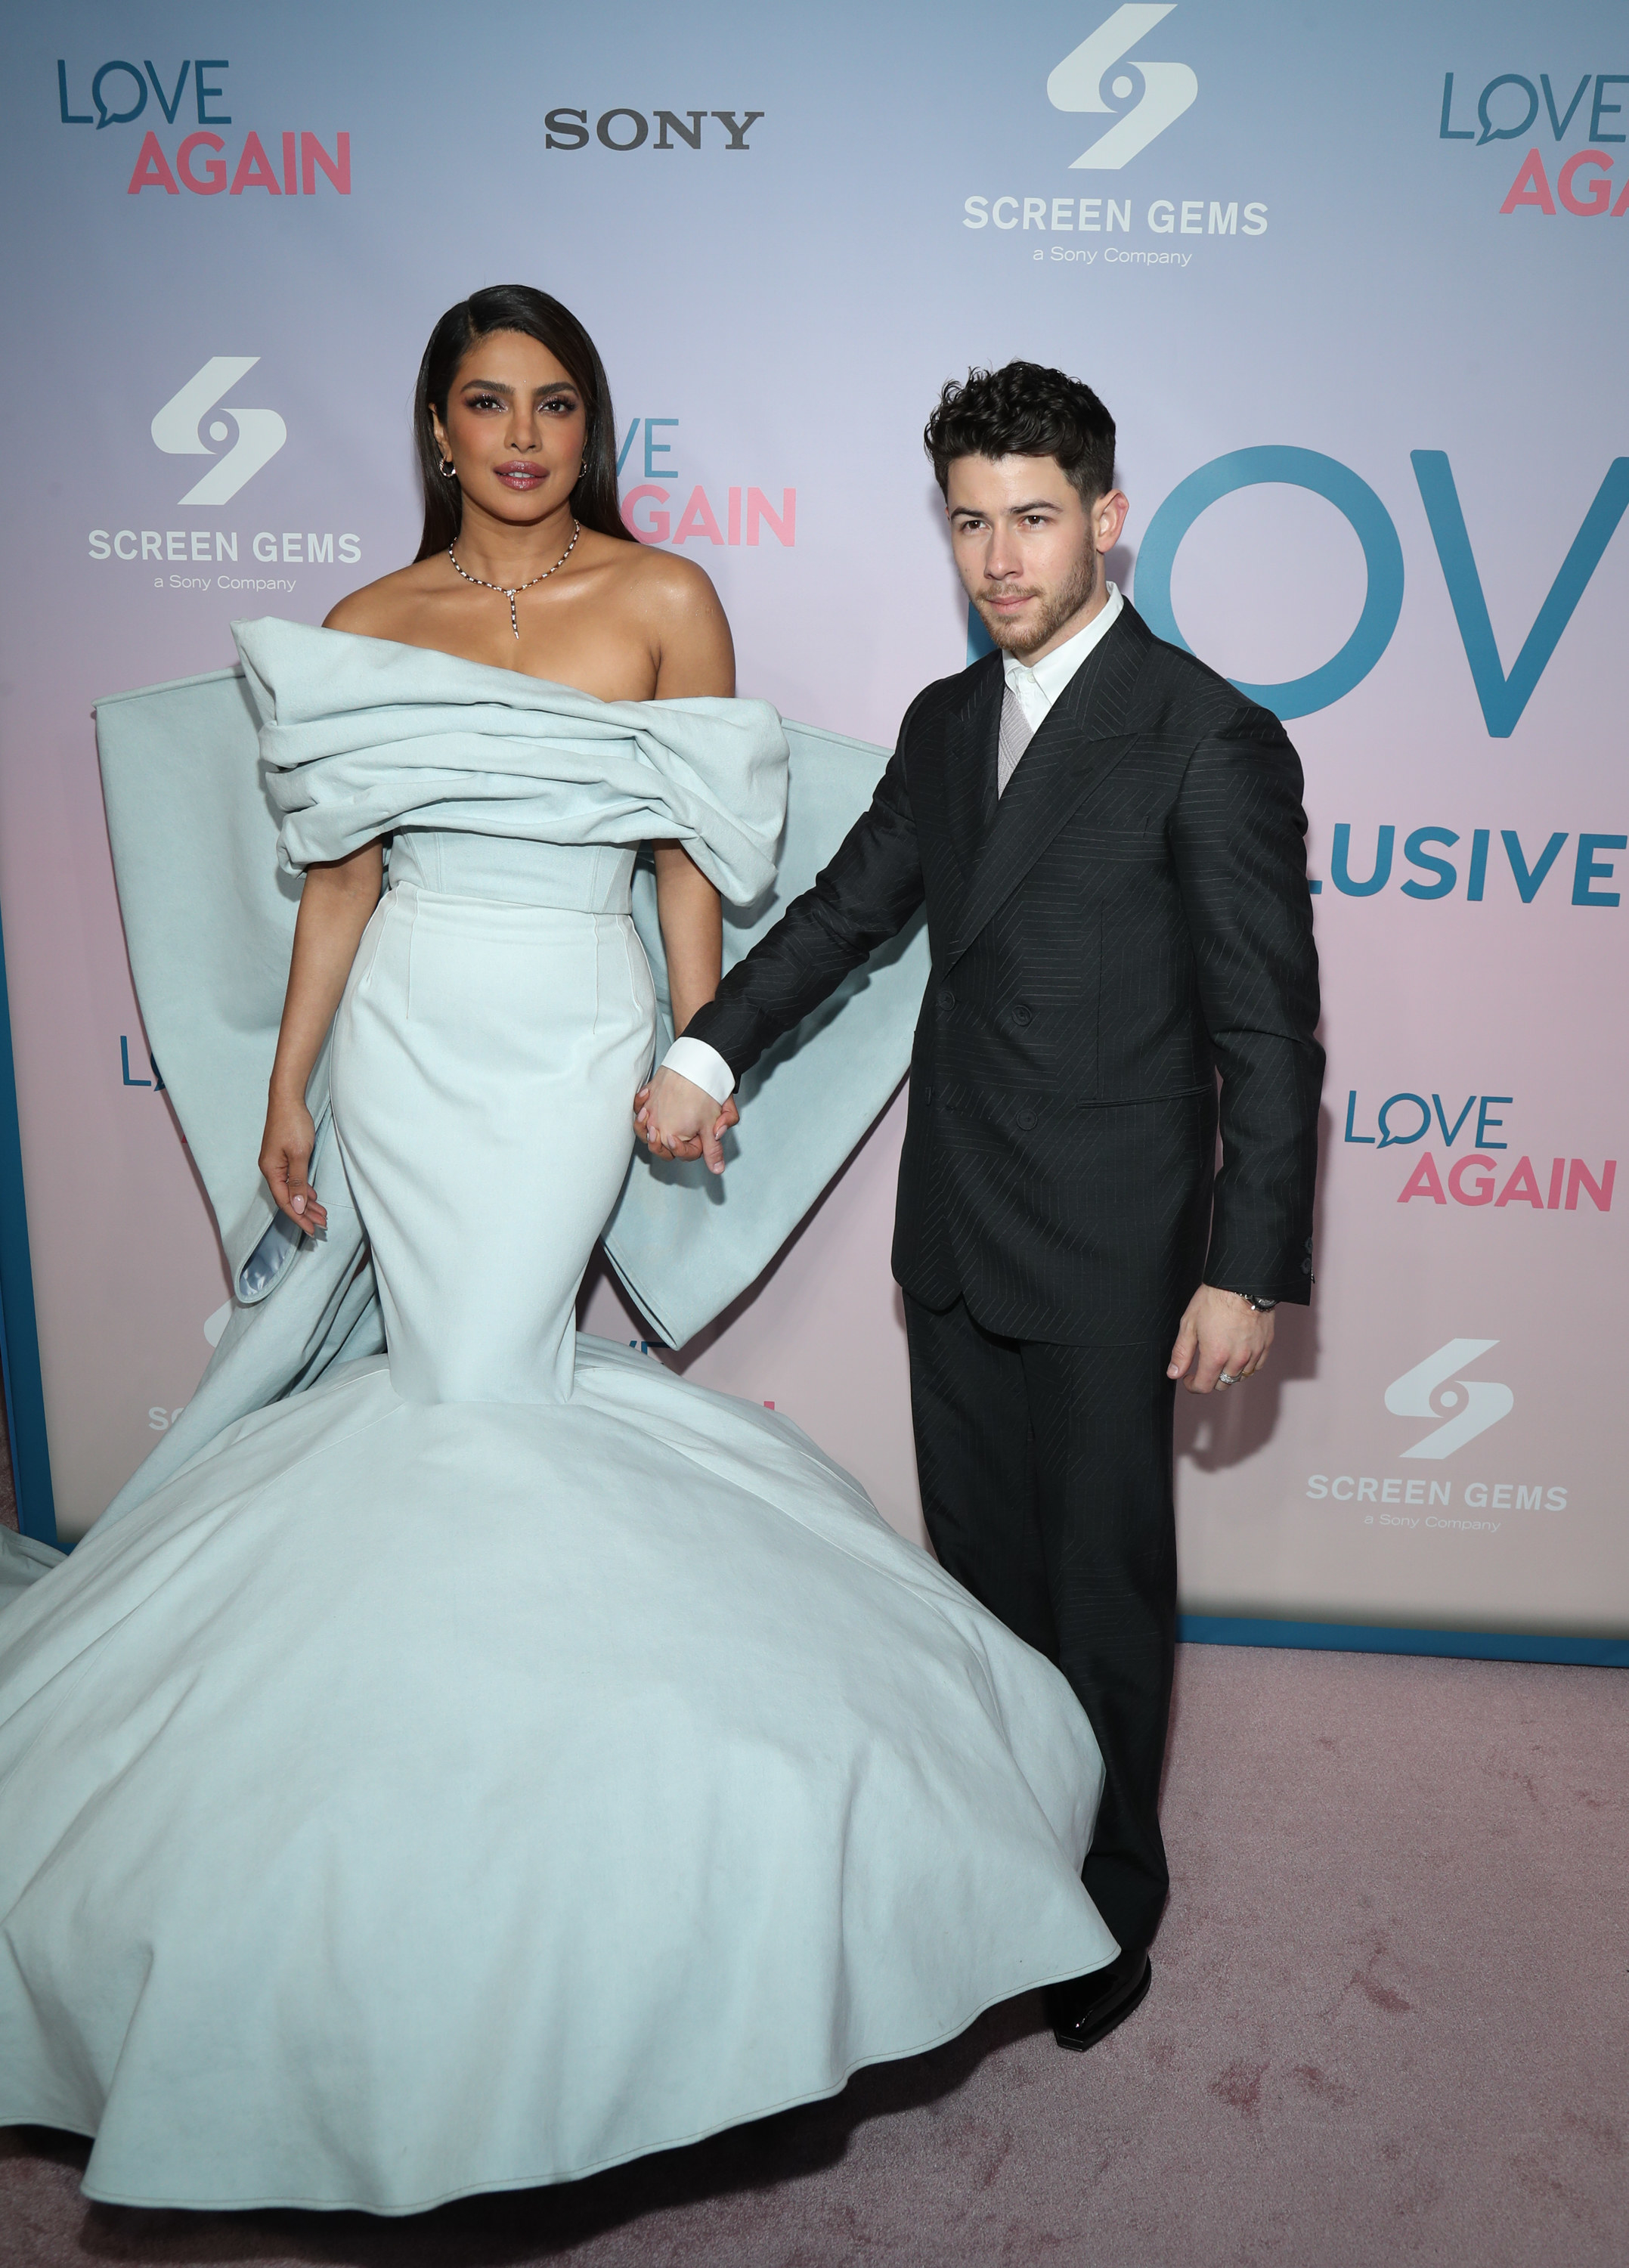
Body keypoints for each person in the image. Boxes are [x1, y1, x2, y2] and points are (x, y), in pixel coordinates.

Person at [0, 297, 1118, 2214]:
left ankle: (532, 1881)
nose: (523, 434)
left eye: (555, 404)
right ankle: (393, 1863)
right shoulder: (365, 626)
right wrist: (288, 1090)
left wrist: (698, 1045)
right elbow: (338, 876)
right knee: (447, 1395)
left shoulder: (668, 594)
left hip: (576, 1035)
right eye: (486, 405)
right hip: (409, 1034)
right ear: (437, 430)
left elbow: (694, 849)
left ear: (592, 424)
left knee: (488, 1388)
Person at [640, 361, 1325, 2053]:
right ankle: (998, 1864)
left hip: (1108, 1253)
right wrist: (710, 1053)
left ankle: (1103, 1915)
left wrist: (1248, 1271)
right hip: (951, 1231)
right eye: (970, 522)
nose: (1000, 557)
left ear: (1107, 521)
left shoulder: (1210, 737)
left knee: (1097, 1591)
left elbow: (1267, 1032)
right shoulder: (949, 726)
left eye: (1033, 519)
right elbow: (847, 911)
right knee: (985, 1585)